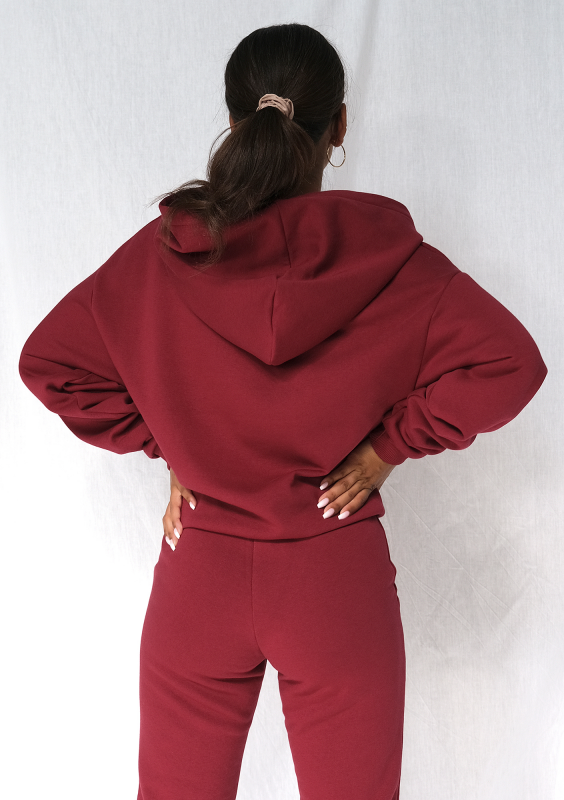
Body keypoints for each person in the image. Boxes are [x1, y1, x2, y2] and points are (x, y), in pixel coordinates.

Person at [18, 22, 547, 800]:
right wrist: (386, 448)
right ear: (339, 127)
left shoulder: (166, 255)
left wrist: (172, 447)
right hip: (333, 574)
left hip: (200, 567)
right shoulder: (397, 265)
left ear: (234, 121)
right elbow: (511, 363)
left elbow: (51, 364)